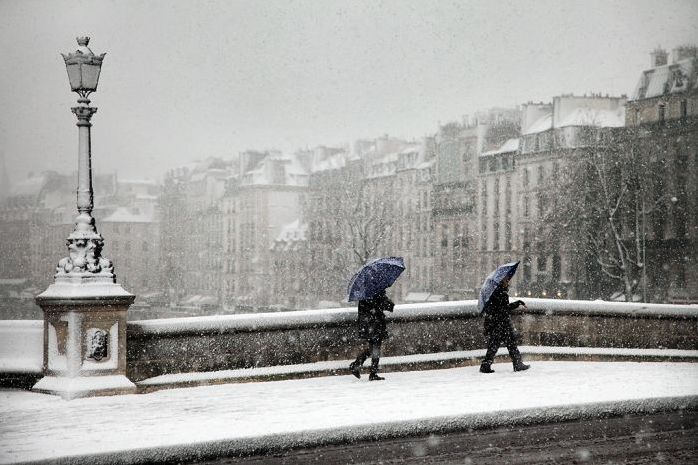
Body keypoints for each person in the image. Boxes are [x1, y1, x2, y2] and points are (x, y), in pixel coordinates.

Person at [479, 277, 530, 373]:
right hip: (502, 323)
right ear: (501, 282)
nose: (508, 283)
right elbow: (504, 309)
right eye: (506, 281)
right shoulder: (501, 294)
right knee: (509, 344)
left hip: (497, 323)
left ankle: (486, 365)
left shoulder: (496, 293)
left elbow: (500, 308)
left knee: (496, 345)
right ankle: (517, 364)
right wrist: (517, 303)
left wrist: (517, 303)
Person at [349, 290, 394, 381]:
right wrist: (385, 299)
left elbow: (364, 310)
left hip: (368, 325)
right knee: (376, 348)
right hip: (375, 325)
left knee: (372, 348)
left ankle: (357, 365)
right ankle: (372, 373)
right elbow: (389, 307)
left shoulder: (364, 294)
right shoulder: (378, 293)